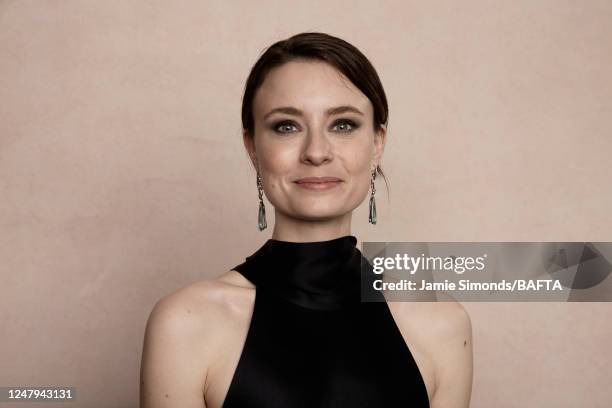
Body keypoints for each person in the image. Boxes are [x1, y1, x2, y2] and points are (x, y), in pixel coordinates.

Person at [140, 32, 473, 408]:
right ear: (252, 148)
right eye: (286, 126)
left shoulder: (442, 324)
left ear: (377, 143)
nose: (316, 152)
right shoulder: (186, 322)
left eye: (343, 124)